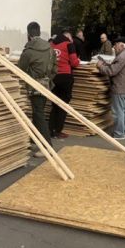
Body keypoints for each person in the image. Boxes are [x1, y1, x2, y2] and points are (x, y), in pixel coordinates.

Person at [18, 21, 57, 152]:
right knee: (38, 112)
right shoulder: (50, 49)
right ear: (39, 32)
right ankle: (34, 140)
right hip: (46, 86)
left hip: (34, 87)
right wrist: (46, 80)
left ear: (29, 34)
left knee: (39, 114)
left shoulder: (28, 51)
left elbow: (20, 69)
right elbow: (55, 70)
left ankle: (47, 147)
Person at [97, 36, 125, 139]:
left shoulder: (122, 56)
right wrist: (108, 64)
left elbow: (111, 71)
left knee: (118, 112)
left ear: (122, 45)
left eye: (116, 45)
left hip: (119, 88)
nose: (114, 47)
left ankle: (119, 133)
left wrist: (100, 66)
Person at [49, 32, 80, 139]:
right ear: (67, 37)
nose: (72, 40)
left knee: (54, 105)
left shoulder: (51, 45)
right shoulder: (68, 45)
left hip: (53, 77)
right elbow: (74, 63)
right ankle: (58, 131)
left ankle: (51, 130)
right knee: (63, 105)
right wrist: (78, 60)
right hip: (65, 78)